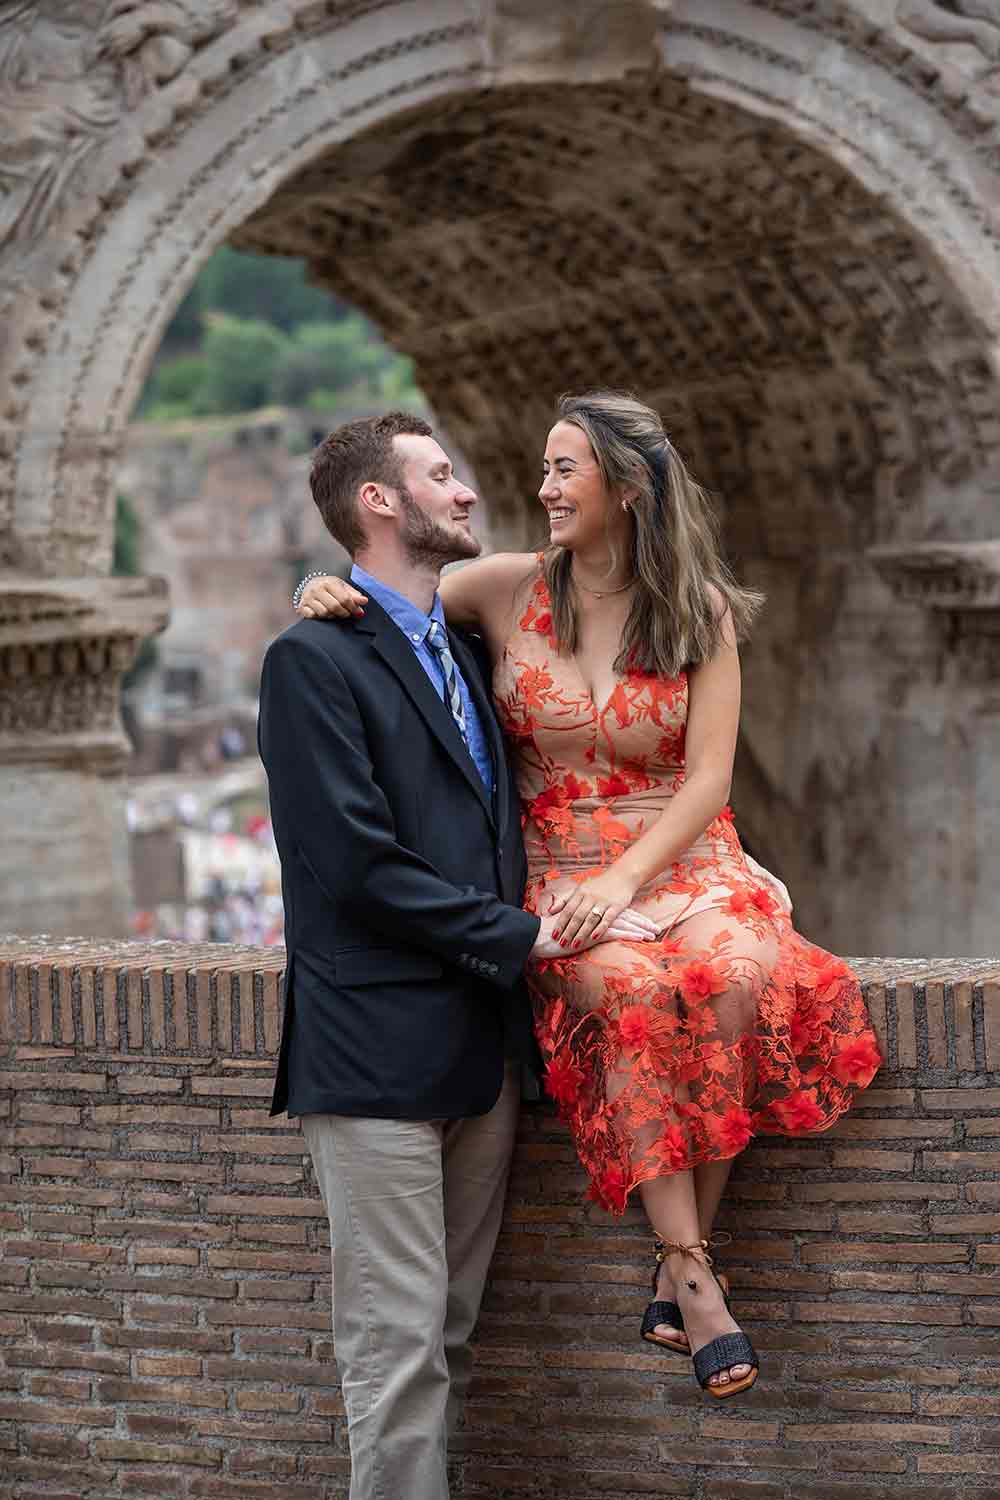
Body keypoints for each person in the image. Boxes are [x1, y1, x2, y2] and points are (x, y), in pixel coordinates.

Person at [295, 391, 883, 1404]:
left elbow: (707, 780)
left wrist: (629, 876)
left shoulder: (699, 613)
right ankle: (694, 1275)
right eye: (544, 468)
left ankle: (680, 1268)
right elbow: (392, 598)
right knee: (638, 998)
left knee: (738, 979)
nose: (542, 489)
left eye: (565, 469)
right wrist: (320, 590)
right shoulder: (502, 586)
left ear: (628, 484)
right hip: (559, 872)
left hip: (681, 857)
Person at [257, 411, 658, 1500]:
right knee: (392, 1363)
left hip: (481, 1057)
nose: (470, 491)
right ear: (379, 503)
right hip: (376, 1054)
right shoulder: (308, 660)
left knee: (451, 1341)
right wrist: (528, 938)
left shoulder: (473, 648)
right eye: (441, 475)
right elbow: (355, 866)